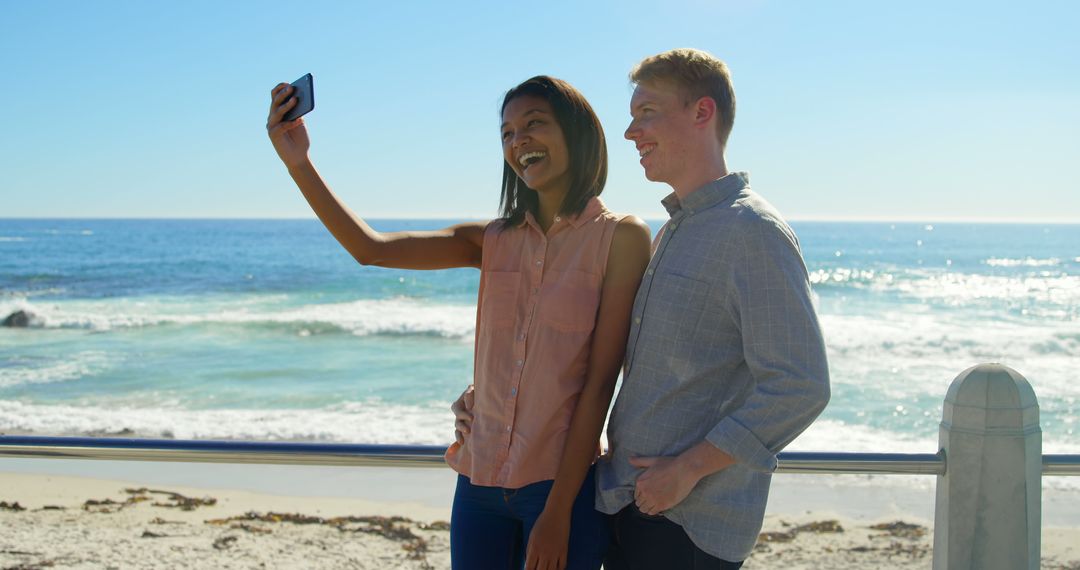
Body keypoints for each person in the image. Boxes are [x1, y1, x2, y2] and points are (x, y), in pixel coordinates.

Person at [267, 75, 651, 570]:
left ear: (578, 133)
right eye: (508, 134)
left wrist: (558, 514)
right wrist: (298, 162)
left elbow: (600, 384)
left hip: (559, 489)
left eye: (534, 125)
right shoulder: (490, 239)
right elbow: (369, 249)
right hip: (477, 486)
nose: (519, 141)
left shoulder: (622, 237)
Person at [593, 48, 832, 569]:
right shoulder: (677, 228)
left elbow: (801, 384)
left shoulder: (753, 232)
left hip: (688, 524)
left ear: (703, 113)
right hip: (632, 505)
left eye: (646, 113)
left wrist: (687, 470)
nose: (631, 133)